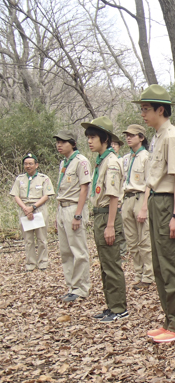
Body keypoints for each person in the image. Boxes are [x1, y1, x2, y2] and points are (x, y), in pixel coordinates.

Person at [134, 84, 175, 344]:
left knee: (171, 265)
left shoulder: (171, 137)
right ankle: (170, 320)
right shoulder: (158, 136)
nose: (143, 114)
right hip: (158, 202)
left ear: (160, 110)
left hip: (169, 203)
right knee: (159, 265)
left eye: (146, 109)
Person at [83, 117, 128, 323]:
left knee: (112, 264)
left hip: (107, 216)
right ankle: (111, 305)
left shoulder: (111, 162)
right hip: (100, 215)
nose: (90, 141)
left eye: (93, 137)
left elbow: (113, 196)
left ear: (105, 138)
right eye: (88, 138)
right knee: (104, 265)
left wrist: (110, 225)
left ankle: (119, 308)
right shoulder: (101, 161)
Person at [54, 130, 92, 303]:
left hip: (73, 207)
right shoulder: (64, 162)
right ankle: (71, 286)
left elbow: (84, 188)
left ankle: (81, 287)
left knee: (78, 250)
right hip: (62, 207)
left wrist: (78, 214)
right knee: (65, 251)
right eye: (58, 142)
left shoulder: (81, 161)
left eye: (63, 142)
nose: (59, 145)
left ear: (73, 143)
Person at [121, 124, 154, 290]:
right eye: (127, 135)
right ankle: (138, 273)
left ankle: (148, 276)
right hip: (127, 198)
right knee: (132, 241)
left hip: (140, 197)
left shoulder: (146, 157)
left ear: (141, 137)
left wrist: (144, 207)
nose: (128, 138)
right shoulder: (126, 158)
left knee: (144, 239)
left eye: (132, 135)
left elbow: (149, 183)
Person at [10, 153, 55, 272]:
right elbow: (15, 195)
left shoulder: (43, 178)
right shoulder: (20, 179)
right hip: (24, 209)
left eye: (30, 164)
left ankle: (43, 263)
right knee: (28, 239)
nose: (28, 166)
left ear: (36, 165)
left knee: (41, 238)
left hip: (39, 209)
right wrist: (25, 208)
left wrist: (33, 207)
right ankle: (30, 263)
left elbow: (47, 195)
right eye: (26, 164)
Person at [111, 136, 128, 257]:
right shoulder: (107, 160)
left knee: (121, 226)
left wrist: (121, 198)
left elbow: (124, 181)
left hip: (121, 196)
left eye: (115, 145)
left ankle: (122, 251)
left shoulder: (122, 161)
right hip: (111, 197)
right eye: (111, 144)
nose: (113, 147)